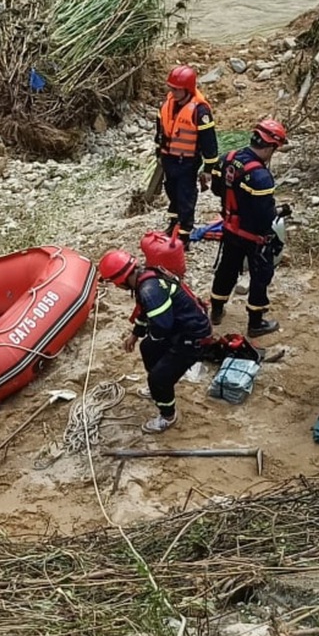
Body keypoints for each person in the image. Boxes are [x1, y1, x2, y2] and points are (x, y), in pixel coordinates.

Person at [99, 249, 212, 434]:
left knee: (159, 377)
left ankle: (167, 416)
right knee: (148, 347)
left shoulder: (149, 290)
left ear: (120, 280)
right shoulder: (146, 278)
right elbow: (146, 312)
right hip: (181, 328)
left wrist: (161, 350)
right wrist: (136, 334)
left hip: (192, 336)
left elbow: (162, 326)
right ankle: (159, 387)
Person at [210, 118, 289, 337]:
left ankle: (216, 310)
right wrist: (277, 217)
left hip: (230, 228)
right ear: (270, 146)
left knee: (226, 268)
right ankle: (255, 322)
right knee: (260, 275)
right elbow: (265, 215)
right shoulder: (261, 177)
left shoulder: (228, 159)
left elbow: (217, 189)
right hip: (253, 236)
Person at [155, 65, 218, 247]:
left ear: (187, 89)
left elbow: (209, 142)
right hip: (169, 159)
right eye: (171, 88)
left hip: (187, 161)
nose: (172, 92)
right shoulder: (167, 105)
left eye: (176, 89)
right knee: (172, 193)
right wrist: (159, 152)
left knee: (185, 196)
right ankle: (173, 225)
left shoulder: (200, 111)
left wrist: (209, 168)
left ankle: (184, 235)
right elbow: (160, 132)